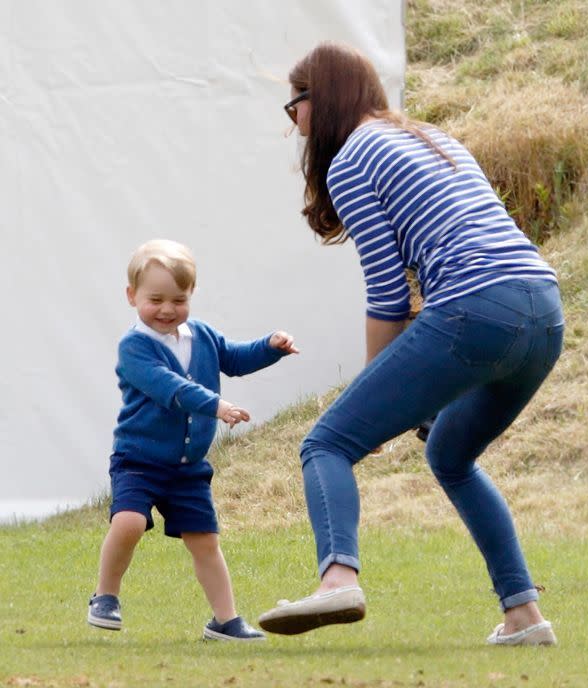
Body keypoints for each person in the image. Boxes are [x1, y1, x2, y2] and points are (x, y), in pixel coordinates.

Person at [258, 42, 563, 646]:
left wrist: (376, 395)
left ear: (317, 99)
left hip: (476, 304)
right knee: (450, 455)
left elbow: (389, 294)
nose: (292, 122)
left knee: (326, 443)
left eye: (292, 105)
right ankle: (524, 617)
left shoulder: (351, 159)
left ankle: (338, 579)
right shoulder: (435, 138)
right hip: (542, 309)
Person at [88, 239, 298, 641]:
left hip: (188, 469)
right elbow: (171, 388)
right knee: (129, 522)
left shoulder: (200, 335)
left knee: (205, 541)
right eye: (155, 299)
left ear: (191, 296)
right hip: (139, 460)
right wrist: (217, 406)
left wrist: (271, 348)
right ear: (131, 296)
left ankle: (225, 620)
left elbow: (235, 358)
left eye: (178, 299)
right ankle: (105, 596)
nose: (167, 309)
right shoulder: (133, 347)